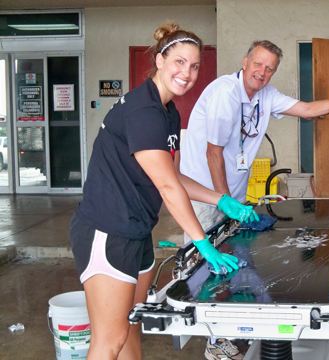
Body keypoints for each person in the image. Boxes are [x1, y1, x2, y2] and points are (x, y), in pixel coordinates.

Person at [69, 22, 257, 360]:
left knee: (129, 328)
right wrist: (203, 244)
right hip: (107, 231)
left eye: (195, 65)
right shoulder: (144, 112)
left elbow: (174, 175)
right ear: (159, 60)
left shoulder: (168, 112)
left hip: (136, 231)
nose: (187, 73)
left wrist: (221, 200)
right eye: (179, 62)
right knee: (108, 341)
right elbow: (168, 188)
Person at [179, 40, 329, 360]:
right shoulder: (226, 94)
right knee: (210, 269)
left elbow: (305, 110)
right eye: (258, 64)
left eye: (269, 68)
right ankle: (215, 343)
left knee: (235, 264)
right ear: (245, 60)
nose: (262, 72)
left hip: (232, 197)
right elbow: (214, 153)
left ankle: (230, 329)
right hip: (206, 197)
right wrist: (224, 205)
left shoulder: (266, 95)